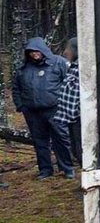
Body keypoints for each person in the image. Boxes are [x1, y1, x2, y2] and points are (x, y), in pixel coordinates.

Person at [12, 37, 75, 180]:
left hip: (55, 109)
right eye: (31, 52)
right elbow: (16, 88)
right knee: (40, 141)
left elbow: (70, 83)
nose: (34, 54)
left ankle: (67, 168)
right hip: (32, 111)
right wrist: (21, 106)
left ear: (43, 50)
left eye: (37, 51)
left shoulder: (59, 63)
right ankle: (45, 170)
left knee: (61, 139)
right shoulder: (23, 69)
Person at [54, 37, 82, 165]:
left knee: (81, 150)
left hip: (79, 118)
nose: (65, 52)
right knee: (76, 150)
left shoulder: (82, 68)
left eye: (68, 49)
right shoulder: (73, 67)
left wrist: (77, 112)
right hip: (71, 118)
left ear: (76, 50)